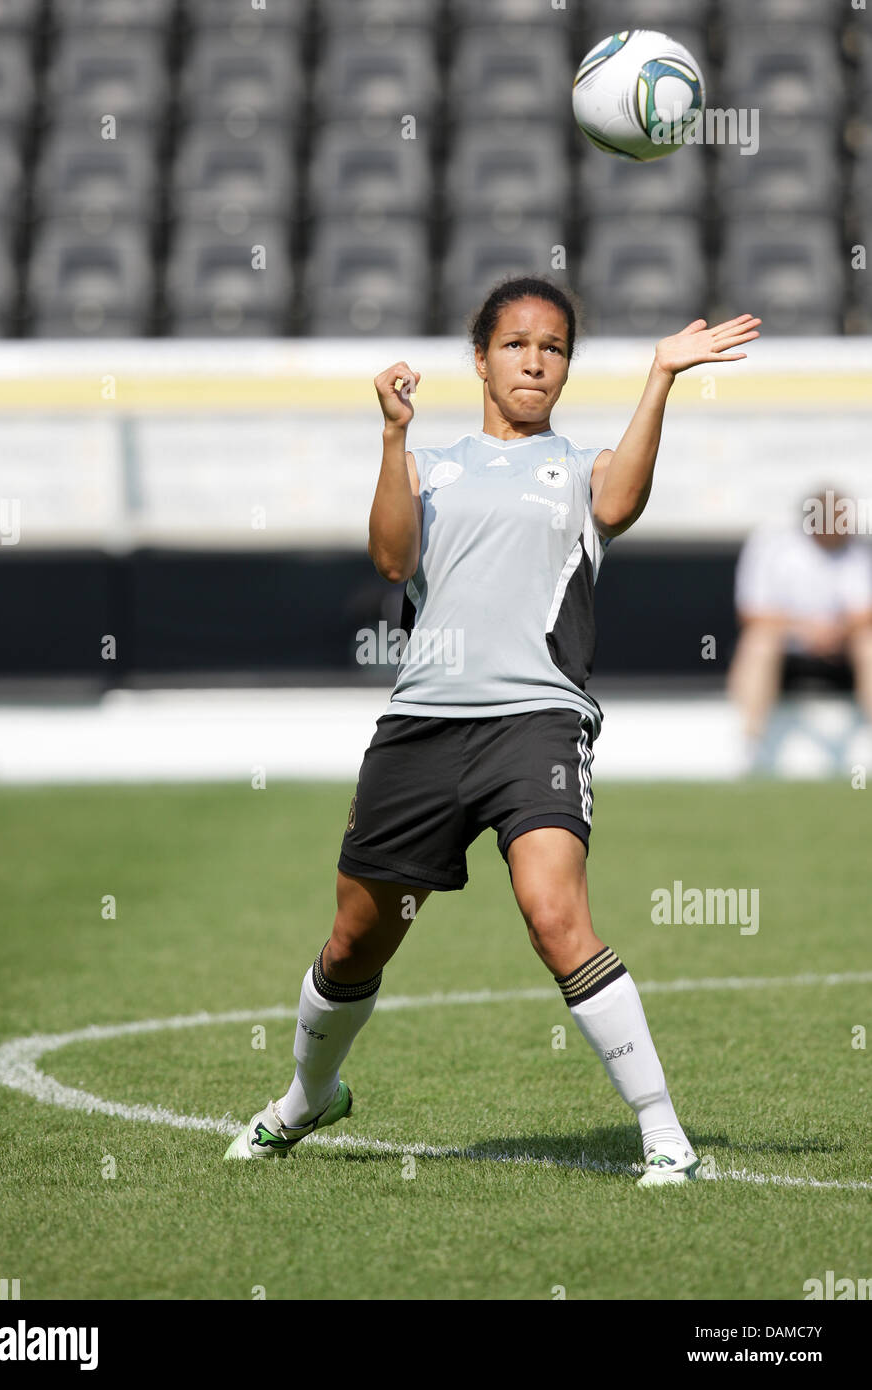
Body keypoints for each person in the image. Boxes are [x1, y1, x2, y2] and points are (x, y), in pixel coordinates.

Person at [225, 274, 761, 1186]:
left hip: (537, 724)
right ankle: (306, 1096)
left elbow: (622, 504)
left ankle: (664, 1134)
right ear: (479, 358)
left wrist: (662, 374)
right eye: (515, 344)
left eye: (551, 348)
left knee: (556, 917)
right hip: (421, 727)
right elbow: (392, 556)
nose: (534, 361)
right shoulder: (430, 465)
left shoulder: (582, 467)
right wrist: (392, 435)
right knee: (357, 939)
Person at [727, 490, 872, 770]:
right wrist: (803, 630)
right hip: (788, 651)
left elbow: (864, 612)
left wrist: (837, 631)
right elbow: (752, 614)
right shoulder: (772, 546)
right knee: (758, 644)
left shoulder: (858, 550)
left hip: (841, 653)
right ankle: (749, 749)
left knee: (869, 645)